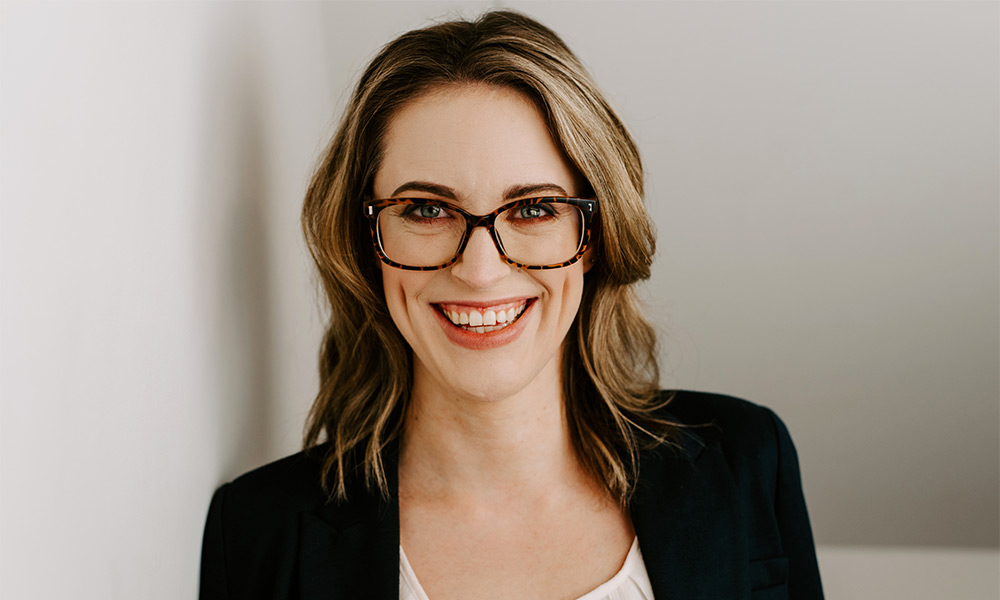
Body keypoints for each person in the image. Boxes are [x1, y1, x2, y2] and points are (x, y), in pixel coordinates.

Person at [199, 10, 823, 600]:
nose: (479, 270)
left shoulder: (746, 461)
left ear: (594, 238)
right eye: (425, 209)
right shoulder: (255, 533)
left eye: (533, 209)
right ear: (369, 243)